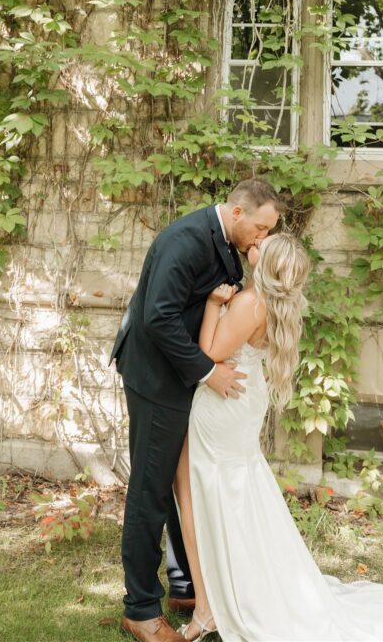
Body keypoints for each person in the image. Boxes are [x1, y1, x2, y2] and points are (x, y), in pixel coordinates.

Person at [173, 233, 383, 642]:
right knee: (236, 493)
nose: (258, 243)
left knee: (201, 491)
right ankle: (223, 591)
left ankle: (210, 605)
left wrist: (214, 305)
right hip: (245, 398)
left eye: (264, 245)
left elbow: (208, 352)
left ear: (267, 265)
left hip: (224, 403)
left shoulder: (250, 303)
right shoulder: (273, 303)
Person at [109, 179, 285, 642]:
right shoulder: (184, 240)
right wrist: (209, 372)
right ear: (237, 211)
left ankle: (187, 582)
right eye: (261, 228)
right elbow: (158, 316)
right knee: (151, 490)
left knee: (184, 480)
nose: (262, 238)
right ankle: (141, 610)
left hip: (184, 377)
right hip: (156, 379)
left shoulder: (229, 242)